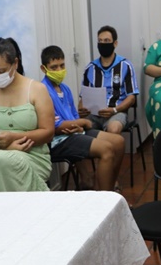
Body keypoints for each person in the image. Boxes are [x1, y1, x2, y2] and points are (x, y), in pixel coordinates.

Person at [41, 45, 125, 191]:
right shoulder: (42, 90)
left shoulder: (65, 89)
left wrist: (78, 125)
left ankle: (108, 186)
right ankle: (102, 196)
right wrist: (83, 122)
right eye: (54, 67)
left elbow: (74, 116)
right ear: (44, 69)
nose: (59, 70)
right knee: (106, 149)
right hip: (59, 140)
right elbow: (56, 126)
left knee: (118, 142)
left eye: (62, 65)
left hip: (75, 131)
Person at [0, 38, 54, 191]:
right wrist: (6, 147)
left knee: (0, 162)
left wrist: (13, 137)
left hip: (32, 156)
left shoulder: (37, 89)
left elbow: (48, 132)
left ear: (15, 63)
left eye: (1, 71)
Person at [78, 25, 139, 134]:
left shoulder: (125, 65)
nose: (102, 44)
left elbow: (131, 98)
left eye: (106, 41)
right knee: (79, 127)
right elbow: (83, 97)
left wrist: (114, 110)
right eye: (100, 41)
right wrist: (81, 109)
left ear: (115, 43)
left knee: (113, 129)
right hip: (94, 114)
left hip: (116, 112)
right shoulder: (90, 68)